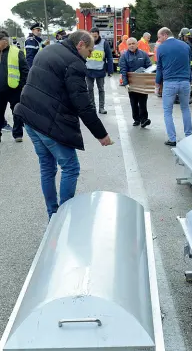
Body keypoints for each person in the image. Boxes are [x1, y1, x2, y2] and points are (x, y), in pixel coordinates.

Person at [13, 30, 113, 220]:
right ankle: (63, 218)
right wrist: (101, 134)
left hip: (29, 117)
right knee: (71, 167)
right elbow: (83, 104)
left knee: (47, 167)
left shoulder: (47, 51)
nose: (91, 54)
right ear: (80, 45)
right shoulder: (74, 63)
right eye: (90, 50)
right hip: (48, 122)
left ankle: (53, 214)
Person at [155, 27, 192, 146]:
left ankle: (172, 139)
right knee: (185, 108)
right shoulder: (185, 46)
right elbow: (189, 64)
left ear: (165, 35)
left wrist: (157, 84)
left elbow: (159, 68)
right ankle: (189, 135)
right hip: (185, 82)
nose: (159, 40)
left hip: (170, 83)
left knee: (167, 111)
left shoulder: (161, 48)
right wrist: (190, 80)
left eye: (159, 37)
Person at [0, 30, 29, 143]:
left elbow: (25, 70)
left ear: (4, 42)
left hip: (14, 89)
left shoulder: (16, 52)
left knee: (17, 112)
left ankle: (17, 134)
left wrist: (22, 86)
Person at [119, 37, 152, 128]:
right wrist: (125, 83)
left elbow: (149, 66)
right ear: (127, 45)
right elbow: (123, 70)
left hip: (142, 84)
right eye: (129, 44)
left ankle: (144, 120)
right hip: (131, 83)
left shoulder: (143, 54)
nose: (132, 45)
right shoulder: (124, 56)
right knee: (134, 102)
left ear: (137, 44)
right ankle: (136, 119)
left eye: (133, 43)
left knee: (143, 102)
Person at [85, 27, 113, 114]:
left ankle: (101, 108)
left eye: (95, 36)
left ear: (98, 34)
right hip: (88, 70)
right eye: (92, 36)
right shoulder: (87, 43)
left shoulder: (104, 43)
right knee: (89, 89)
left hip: (100, 70)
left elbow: (109, 57)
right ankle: (92, 107)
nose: (94, 38)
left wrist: (110, 70)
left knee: (101, 89)